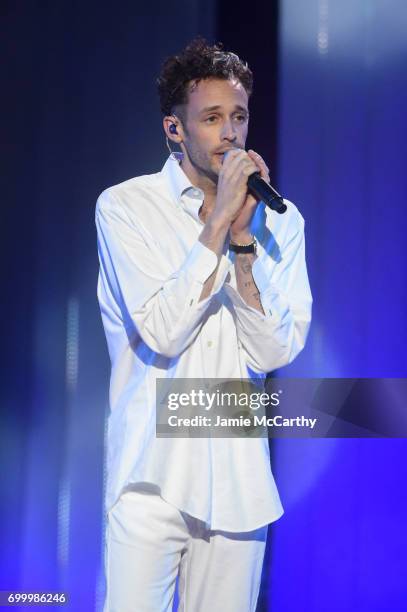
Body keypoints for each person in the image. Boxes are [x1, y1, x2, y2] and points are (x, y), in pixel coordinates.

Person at [96, 37, 312, 612]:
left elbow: (272, 353)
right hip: (151, 477)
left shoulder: (280, 225)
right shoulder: (125, 208)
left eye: (238, 117)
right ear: (175, 129)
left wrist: (244, 242)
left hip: (240, 483)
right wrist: (216, 224)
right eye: (212, 118)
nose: (230, 134)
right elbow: (163, 333)